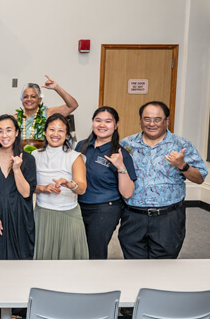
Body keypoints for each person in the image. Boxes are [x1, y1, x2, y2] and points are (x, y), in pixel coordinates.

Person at [119, 101, 207, 259]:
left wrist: (182, 165)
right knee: (132, 266)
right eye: (147, 119)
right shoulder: (126, 145)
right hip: (133, 217)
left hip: (168, 219)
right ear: (140, 121)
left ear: (167, 121)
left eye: (157, 119)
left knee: (164, 268)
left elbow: (200, 178)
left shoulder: (181, 144)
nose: (151, 124)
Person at [76, 106, 137, 260]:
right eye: (98, 120)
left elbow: (128, 193)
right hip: (77, 206)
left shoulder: (120, 153)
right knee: (77, 248)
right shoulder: (81, 146)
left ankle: (96, 282)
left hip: (104, 209)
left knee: (94, 251)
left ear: (116, 125)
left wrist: (121, 167)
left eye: (108, 121)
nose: (102, 125)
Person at [32, 113, 88, 260]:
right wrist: (43, 188)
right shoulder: (35, 155)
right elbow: (29, 187)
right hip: (43, 215)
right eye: (52, 129)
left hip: (68, 215)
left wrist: (70, 184)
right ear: (45, 132)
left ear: (66, 134)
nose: (55, 134)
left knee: (68, 264)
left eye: (61, 130)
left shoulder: (74, 156)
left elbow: (82, 188)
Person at [0, 114, 37, 260]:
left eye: (8, 130)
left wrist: (17, 169)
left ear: (17, 132)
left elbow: (26, 193)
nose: (4, 135)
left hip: (20, 219)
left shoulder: (28, 159)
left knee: (19, 267)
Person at [15, 75, 78, 142]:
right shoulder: (15, 118)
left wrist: (57, 88)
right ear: (21, 99)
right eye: (25, 97)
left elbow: (73, 105)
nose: (29, 99)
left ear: (39, 100)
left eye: (33, 96)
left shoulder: (48, 113)